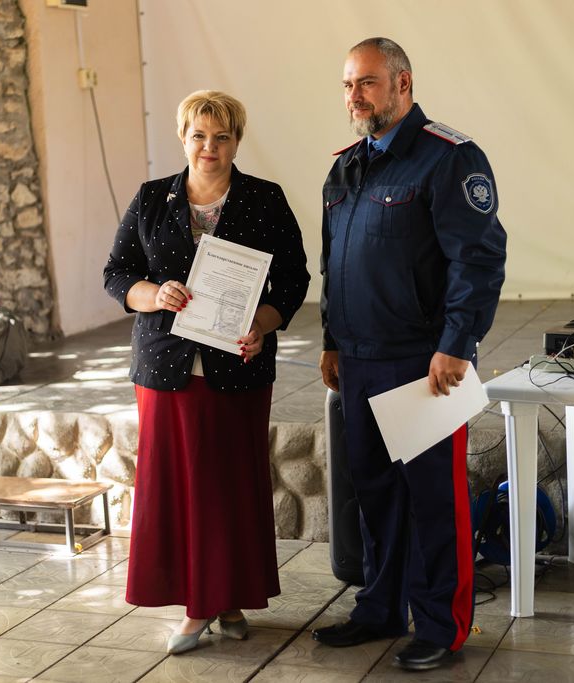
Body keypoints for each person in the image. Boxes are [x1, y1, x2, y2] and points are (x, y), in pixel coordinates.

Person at [312, 38, 507, 671]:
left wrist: (457, 344)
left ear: (403, 83)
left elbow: (477, 260)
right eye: (348, 85)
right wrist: (332, 340)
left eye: (367, 83)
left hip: (423, 362)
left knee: (432, 500)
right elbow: (333, 265)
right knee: (374, 494)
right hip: (358, 359)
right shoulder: (346, 167)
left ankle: (442, 626)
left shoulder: (448, 158)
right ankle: (380, 609)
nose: (354, 96)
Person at [103, 90, 310, 654]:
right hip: (165, 369)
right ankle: (200, 606)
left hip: (238, 366)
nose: (209, 147)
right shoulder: (152, 198)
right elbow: (117, 273)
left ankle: (228, 597)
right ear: (183, 137)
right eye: (199, 135)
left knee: (231, 487)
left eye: (222, 137)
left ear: (237, 140)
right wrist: (153, 294)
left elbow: (294, 279)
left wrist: (262, 324)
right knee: (179, 488)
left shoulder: (265, 199)